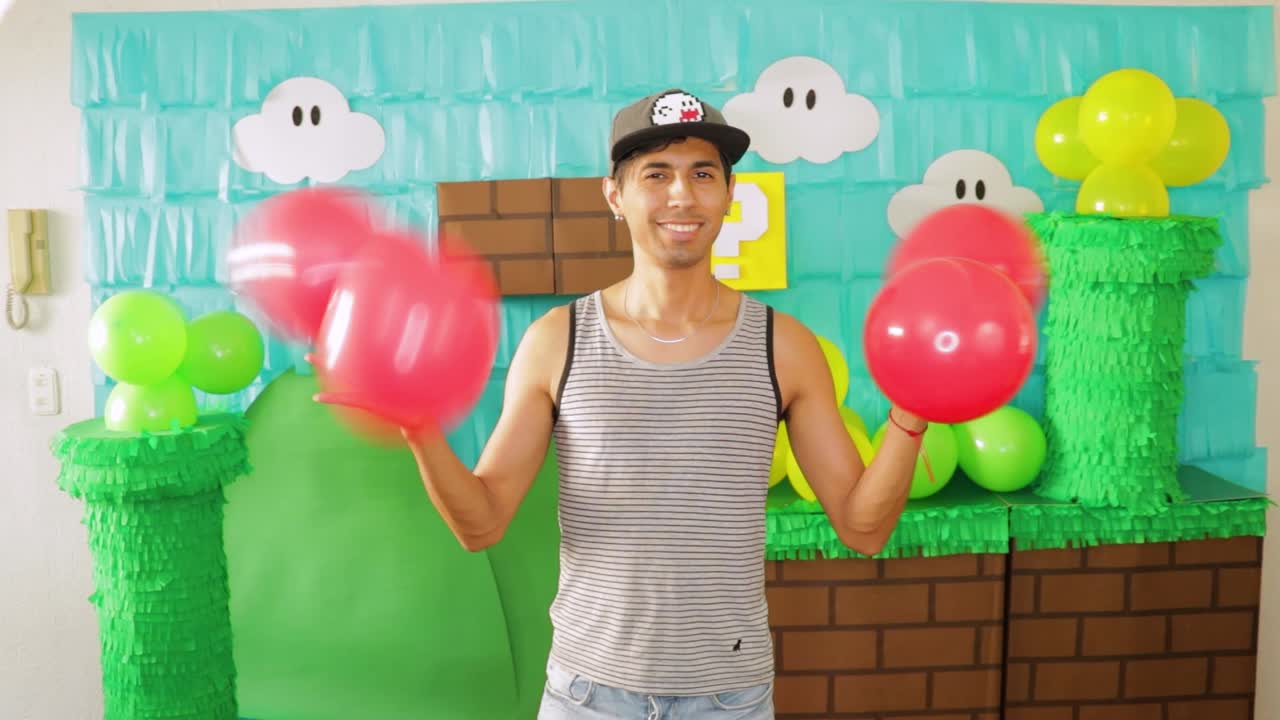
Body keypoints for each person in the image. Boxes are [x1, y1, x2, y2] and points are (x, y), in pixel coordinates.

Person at [400, 88, 927, 719]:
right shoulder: (556, 341)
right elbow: (480, 522)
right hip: (587, 695)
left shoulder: (783, 346)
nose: (682, 195)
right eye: (656, 174)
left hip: (728, 697)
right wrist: (418, 428)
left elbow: (862, 528)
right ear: (615, 195)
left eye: (703, 174)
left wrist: (912, 413)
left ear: (730, 196)